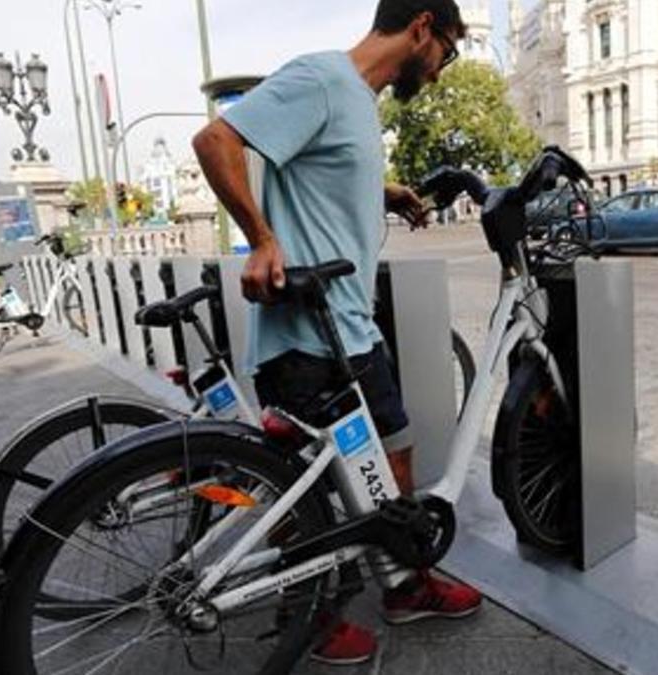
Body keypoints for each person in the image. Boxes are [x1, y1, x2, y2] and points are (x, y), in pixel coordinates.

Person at [193, 0, 480, 665]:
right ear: (420, 29)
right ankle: (313, 618)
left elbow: (323, 176)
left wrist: (387, 191)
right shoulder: (323, 78)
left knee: (392, 456)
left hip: (345, 329)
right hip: (309, 338)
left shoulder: (355, 101)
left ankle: (402, 583)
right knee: (313, 491)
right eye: (447, 51)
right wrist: (261, 240)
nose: (439, 71)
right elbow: (216, 141)